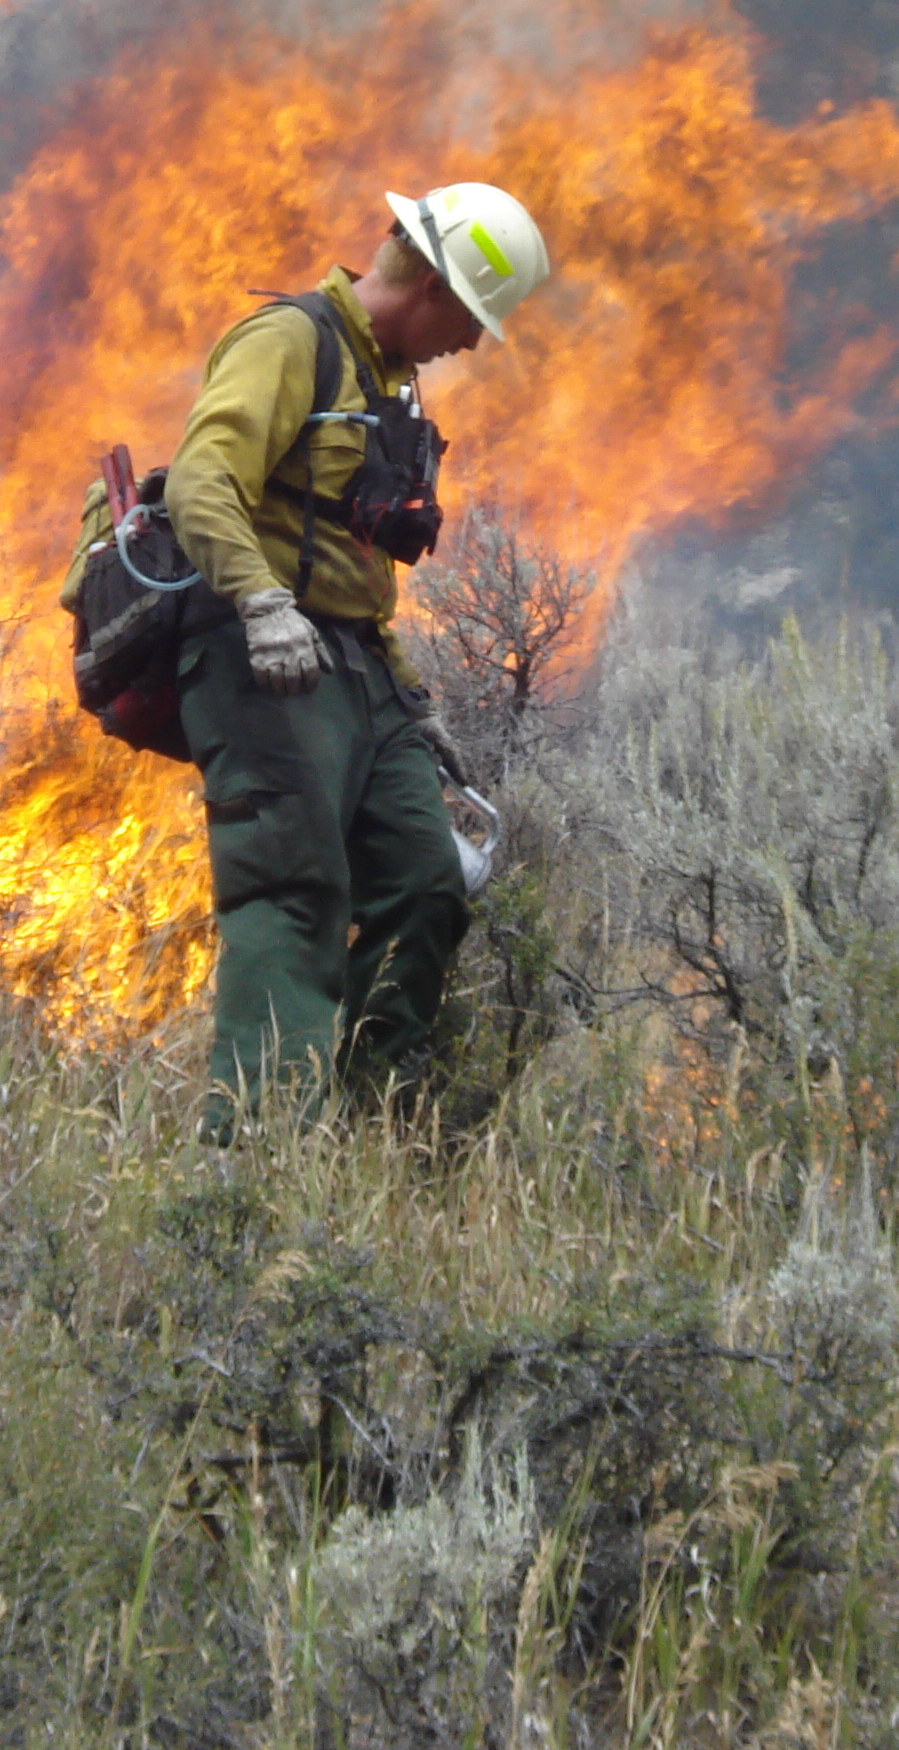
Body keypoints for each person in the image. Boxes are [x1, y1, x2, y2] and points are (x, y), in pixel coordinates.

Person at [163, 181, 552, 1134]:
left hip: (356, 671)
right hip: (267, 661)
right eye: (469, 317)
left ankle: (367, 1125)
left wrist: (410, 701)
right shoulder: (289, 341)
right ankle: (255, 1155)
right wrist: (261, 605)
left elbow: (354, 561)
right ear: (426, 281)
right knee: (294, 891)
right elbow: (204, 480)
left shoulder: (386, 381)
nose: (469, 342)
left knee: (427, 878)